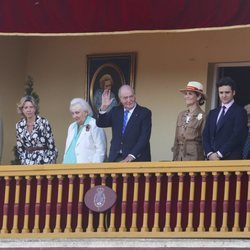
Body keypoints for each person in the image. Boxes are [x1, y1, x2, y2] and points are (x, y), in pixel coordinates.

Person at [96, 84, 152, 162]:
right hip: (115, 158)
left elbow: (144, 138)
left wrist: (131, 156)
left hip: (136, 159)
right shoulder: (115, 111)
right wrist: (104, 107)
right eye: (125, 98)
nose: (129, 100)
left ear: (135, 96)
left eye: (131, 96)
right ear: (120, 99)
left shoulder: (144, 113)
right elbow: (101, 123)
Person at [202, 77, 248, 160]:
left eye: (227, 92)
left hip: (231, 159)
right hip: (211, 159)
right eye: (221, 92)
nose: (224, 95)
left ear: (233, 92)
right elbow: (205, 135)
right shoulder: (213, 113)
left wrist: (219, 154)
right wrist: (209, 153)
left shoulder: (240, 112)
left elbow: (237, 136)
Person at [16, 95, 58, 165]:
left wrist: (52, 161)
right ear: (22, 110)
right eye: (26, 107)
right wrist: (23, 160)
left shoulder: (44, 122)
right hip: (27, 163)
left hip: (44, 161)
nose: (28, 110)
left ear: (35, 108)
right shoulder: (19, 125)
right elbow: (20, 148)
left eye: (31, 107)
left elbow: (51, 145)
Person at [63, 98, 107, 163]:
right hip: (67, 168)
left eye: (77, 113)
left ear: (86, 112)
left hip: (86, 169)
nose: (74, 116)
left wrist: (94, 168)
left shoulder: (94, 124)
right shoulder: (71, 127)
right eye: (72, 113)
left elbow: (101, 149)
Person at [172, 81, 206, 161]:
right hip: (179, 158)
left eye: (190, 94)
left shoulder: (203, 116)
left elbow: (205, 141)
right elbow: (176, 141)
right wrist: (174, 159)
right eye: (186, 94)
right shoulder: (181, 115)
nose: (186, 96)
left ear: (198, 97)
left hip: (195, 158)